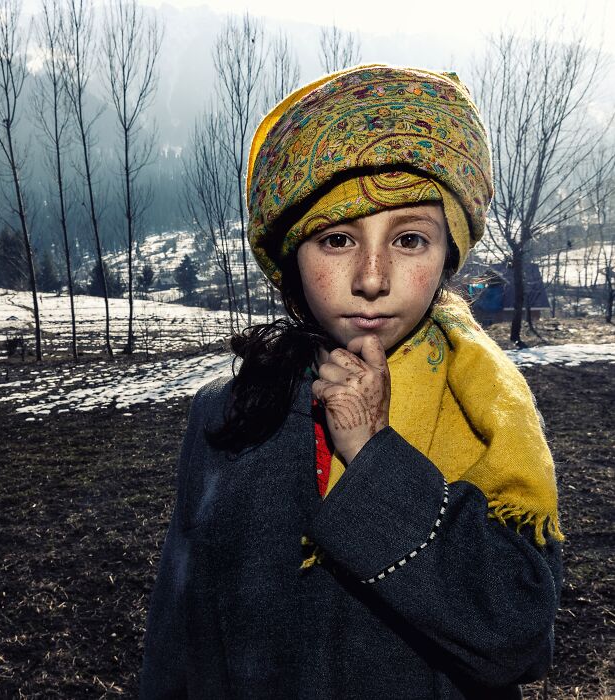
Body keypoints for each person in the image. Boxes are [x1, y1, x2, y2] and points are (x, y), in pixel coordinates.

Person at [139, 64, 565, 699]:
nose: (372, 278)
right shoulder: (227, 417)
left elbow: (520, 635)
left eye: (410, 239)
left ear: (447, 255)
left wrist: (373, 457)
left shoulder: (484, 411)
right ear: (291, 260)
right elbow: (184, 642)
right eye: (338, 240)